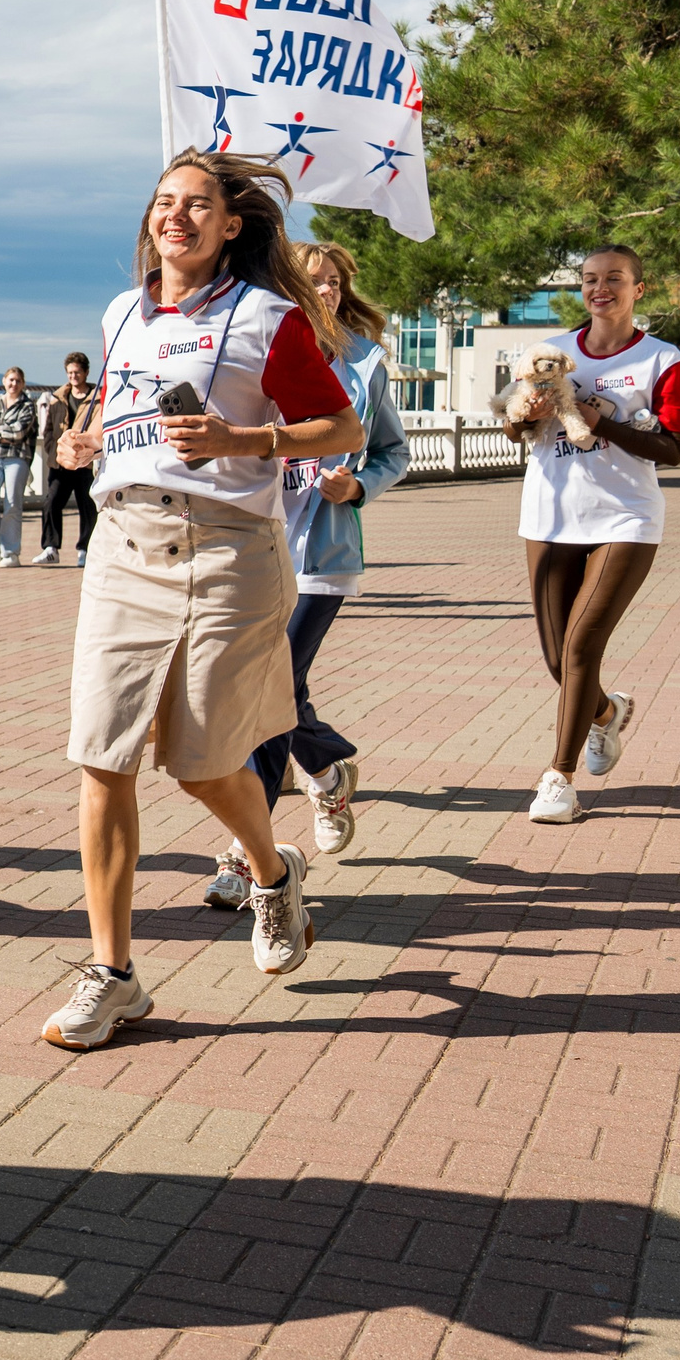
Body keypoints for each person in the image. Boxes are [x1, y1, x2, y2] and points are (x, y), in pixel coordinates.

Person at [44, 151, 364, 1051]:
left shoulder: (268, 318)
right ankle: (113, 974)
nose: (174, 216)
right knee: (101, 757)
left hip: (227, 551)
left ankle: (273, 872)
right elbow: (118, 411)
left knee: (199, 760)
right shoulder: (121, 314)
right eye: (163, 202)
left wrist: (243, 437)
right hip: (123, 545)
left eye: (196, 205)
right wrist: (86, 439)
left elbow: (344, 428)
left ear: (232, 226)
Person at [202, 242, 408, 902]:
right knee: (274, 694)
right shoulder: (254, 345)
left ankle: (242, 856)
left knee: (269, 694)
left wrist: (359, 486)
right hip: (256, 550)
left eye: (332, 282)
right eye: (308, 281)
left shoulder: (365, 361)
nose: (323, 292)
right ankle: (324, 771)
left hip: (322, 557)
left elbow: (392, 452)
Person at [502, 245, 680, 824]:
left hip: (625, 519)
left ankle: (558, 780)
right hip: (548, 516)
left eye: (615, 278)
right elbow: (515, 429)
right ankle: (607, 713)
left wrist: (601, 419)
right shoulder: (551, 351)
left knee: (584, 646)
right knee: (560, 662)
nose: (600, 288)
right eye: (590, 279)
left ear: (640, 287)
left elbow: (674, 449)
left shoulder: (666, 360)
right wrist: (526, 414)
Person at [33, 352, 99, 566]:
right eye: (70, 373)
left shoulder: (97, 399)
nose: (73, 376)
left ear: (86, 372)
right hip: (60, 464)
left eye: (77, 372)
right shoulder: (58, 398)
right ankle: (51, 547)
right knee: (51, 502)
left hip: (86, 462)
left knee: (87, 506)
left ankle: (85, 549)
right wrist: (53, 453)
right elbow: (49, 429)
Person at [0, 366, 37, 567]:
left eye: (18, 381)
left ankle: (11, 552)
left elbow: (20, 433)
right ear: (4, 381)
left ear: (23, 384)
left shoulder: (28, 406)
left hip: (17, 457)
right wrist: (3, 434)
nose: (14, 384)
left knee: (12, 502)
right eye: (10, 380)